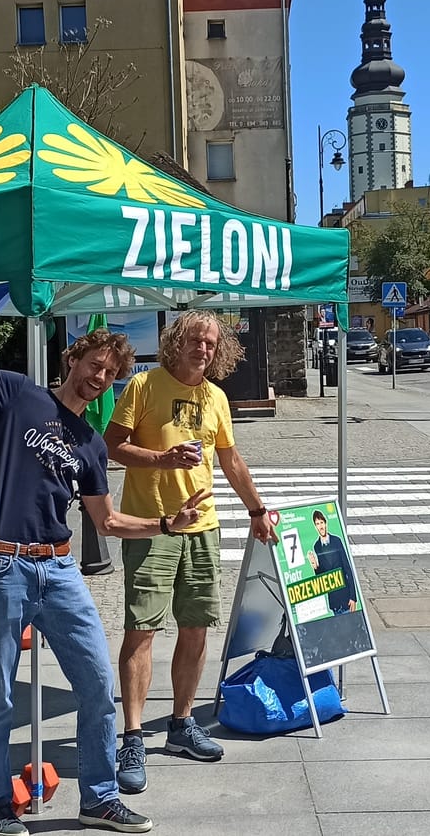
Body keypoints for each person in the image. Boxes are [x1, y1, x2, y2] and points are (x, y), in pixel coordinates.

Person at [0, 246, 206, 836]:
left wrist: (165, 525)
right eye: (95, 365)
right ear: (74, 360)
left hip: (61, 572)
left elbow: (109, 523)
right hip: (1, 567)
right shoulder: (18, 395)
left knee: (99, 685)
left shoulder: (93, 445)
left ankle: (98, 797)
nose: (100, 377)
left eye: (111, 374)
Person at [104, 310, 276, 795]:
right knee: (141, 630)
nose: (202, 348)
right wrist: (160, 458)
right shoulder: (144, 386)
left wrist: (257, 509)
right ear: (177, 341)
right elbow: (112, 445)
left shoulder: (216, 397)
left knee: (196, 629)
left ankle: (181, 725)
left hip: (203, 528)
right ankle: (134, 736)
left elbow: (230, 459)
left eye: (210, 342)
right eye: (195, 340)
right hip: (152, 526)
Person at [310, 510, 357, 617]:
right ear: (315, 526)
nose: (320, 526)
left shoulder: (336, 541)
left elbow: (347, 568)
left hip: (346, 598)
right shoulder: (317, 546)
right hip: (334, 600)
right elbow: (322, 577)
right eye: (317, 524)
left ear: (325, 523)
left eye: (321, 522)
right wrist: (315, 566)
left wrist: (353, 597)